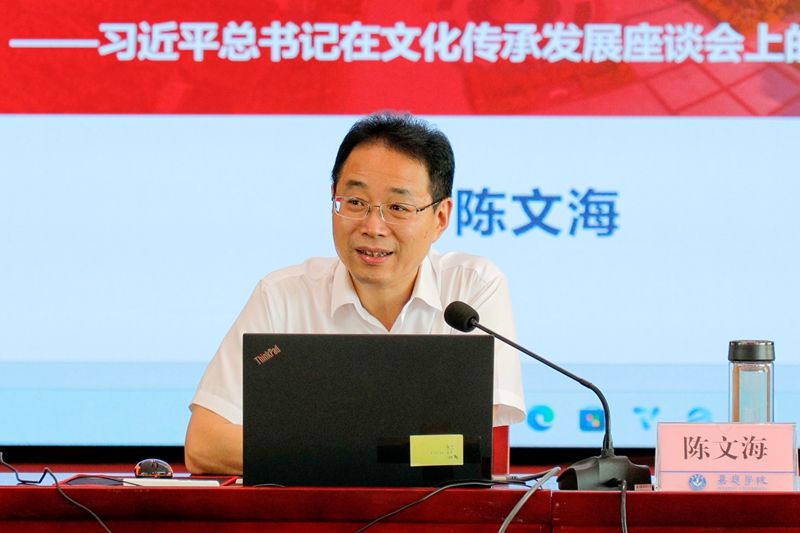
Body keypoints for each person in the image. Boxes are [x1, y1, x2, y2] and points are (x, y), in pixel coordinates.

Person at [185, 112, 526, 474]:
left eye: (398, 208)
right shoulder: (282, 296)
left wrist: (320, 451)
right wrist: (365, 453)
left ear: (440, 217)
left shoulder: (471, 289)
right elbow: (204, 445)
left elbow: (474, 450)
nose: (372, 226)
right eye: (355, 202)